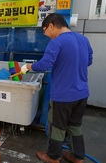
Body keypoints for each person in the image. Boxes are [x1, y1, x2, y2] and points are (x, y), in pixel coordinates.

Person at [21, 13, 93, 163]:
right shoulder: (83, 39)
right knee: (75, 126)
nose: (46, 35)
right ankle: (78, 157)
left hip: (64, 95)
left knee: (57, 127)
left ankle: (53, 157)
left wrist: (27, 66)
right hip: (82, 93)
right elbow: (89, 61)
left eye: (45, 31)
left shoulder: (57, 42)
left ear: (52, 26)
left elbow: (44, 64)